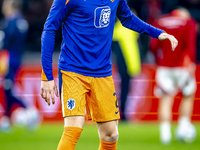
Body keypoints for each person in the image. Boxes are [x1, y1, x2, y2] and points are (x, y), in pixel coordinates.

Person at [40, 0, 178, 149]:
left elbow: (128, 18)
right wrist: (46, 76)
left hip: (102, 73)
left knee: (111, 135)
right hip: (73, 70)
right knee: (73, 129)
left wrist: (157, 33)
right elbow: (49, 28)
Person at [150, 8, 197, 144]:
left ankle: (165, 135)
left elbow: (153, 45)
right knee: (187, 95)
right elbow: (191, 45)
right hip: (183, 66)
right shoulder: (188, 22)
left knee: (165, 99)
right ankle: (183, 128)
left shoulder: (160, 21)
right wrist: (192, 62)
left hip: (164, 67)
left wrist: (158, 61)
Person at [0, 0, 29, 132]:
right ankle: (8, 118)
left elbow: (7, 41)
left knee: (8, 87)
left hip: (9, 59)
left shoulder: (10, 21)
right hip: (16, 58)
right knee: (8, 87)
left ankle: (25, 110)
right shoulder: (22, 21)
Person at [112, 14, 141, 121]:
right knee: (124, 90)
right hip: (126, 67)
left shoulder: (118, 30)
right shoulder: (127, 31)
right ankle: (123, 114)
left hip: (122, 66)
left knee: (123, 90)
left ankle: (122, 113)